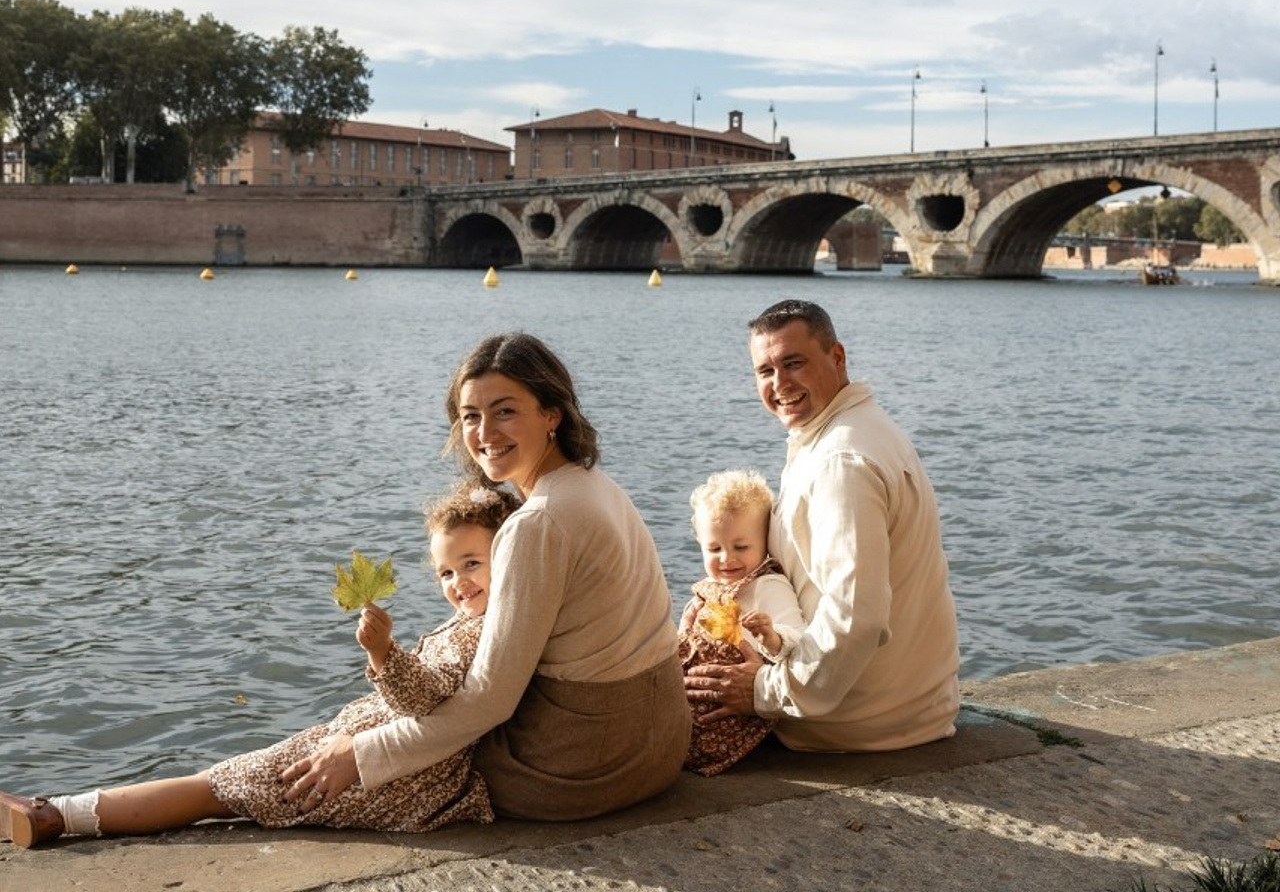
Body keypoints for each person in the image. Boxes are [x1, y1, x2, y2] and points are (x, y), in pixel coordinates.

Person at [280, 331, 690, 822]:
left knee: (336, 756)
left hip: (579, 769)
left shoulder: (538, 522)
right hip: (659, 745)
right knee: (388, 716)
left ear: (551, 414)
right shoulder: (596, 485)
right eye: (471, 416)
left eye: (505, 411)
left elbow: (490, 701)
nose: (484, 433)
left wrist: (362, 756)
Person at [0, 482, 521, 848]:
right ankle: (58, 810)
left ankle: (56, 816)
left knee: (217, 787)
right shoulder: (482, 622)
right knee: (225, 783)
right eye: (446, 572)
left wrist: (382, 652)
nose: (457, 582)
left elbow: (428, 701)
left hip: (389, 777)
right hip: (377, 759)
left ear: (508, 557)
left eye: (472, 564)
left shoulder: (477, 632)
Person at [685, 299, 960, 753]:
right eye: (764, 371)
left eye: (793, 363)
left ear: (837, 358)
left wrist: (762, 691)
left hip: (857, 720)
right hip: (912, 705)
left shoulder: (841, 463)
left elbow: (857, 616)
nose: (779, 384)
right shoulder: (856, 431)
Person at [677, 470, 804, 776]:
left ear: (765, 541)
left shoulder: (767, 586)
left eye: (741, 547)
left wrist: (770, 635)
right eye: (714, 548)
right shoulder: (706, 592)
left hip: (735, 716)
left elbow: (798, 638)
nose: (726, 558)